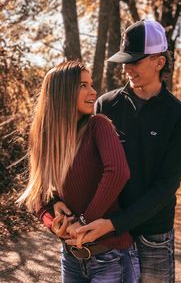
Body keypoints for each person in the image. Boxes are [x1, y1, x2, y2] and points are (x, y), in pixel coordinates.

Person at [66, 20, 181, 283]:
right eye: (125, 60)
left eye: (135, 61)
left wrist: (115, 222)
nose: (126, 68)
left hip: (153, 235)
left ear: (159, 62)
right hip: (108, 238)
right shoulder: (106, 104)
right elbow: (89, 166)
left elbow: (166, 186)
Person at [17, 61, 140, 283]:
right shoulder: (46, 140)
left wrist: (83, 221)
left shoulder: (98, 126)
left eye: (91, 84)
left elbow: (118, 172)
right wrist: (54, 223)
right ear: (62, 92)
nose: (93, 91)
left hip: (112, 257)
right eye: (83, 85)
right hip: (71, 259)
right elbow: (37, 196)